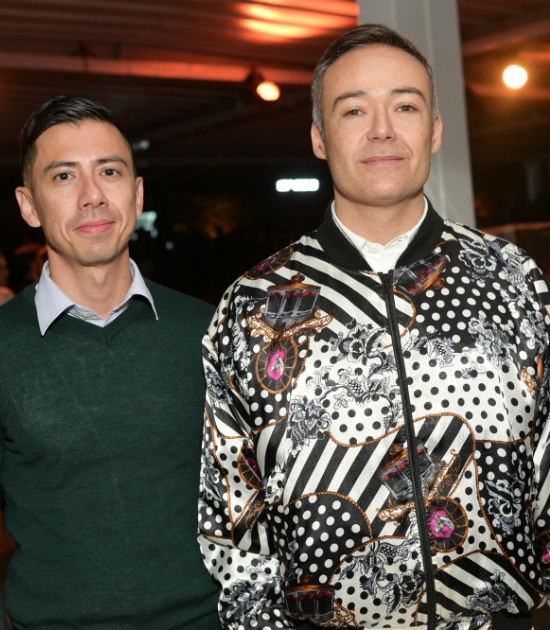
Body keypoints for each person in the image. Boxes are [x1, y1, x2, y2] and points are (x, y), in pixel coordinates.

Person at [198, 24, 550, 630]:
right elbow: (233, 517)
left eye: (405, 106)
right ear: (319, 136)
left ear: (434, 130)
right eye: (354, 109)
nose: (382, 129)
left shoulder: (512, 279)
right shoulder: (253, 305)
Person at [0, 95, 219, 629]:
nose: (92, 196)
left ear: (136, 194)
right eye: (64, 176)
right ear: (29, 205)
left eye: (109, 171)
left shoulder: (207, 331)